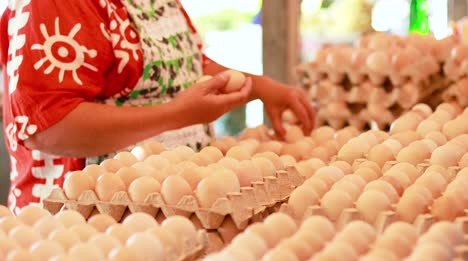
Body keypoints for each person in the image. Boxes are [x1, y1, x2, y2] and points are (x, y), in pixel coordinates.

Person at [0, 0, 315, 213]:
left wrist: (258, 87)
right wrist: (176, 115)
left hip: (165, 211)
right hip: (82, 221)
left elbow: (182, 68)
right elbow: (47, 126)